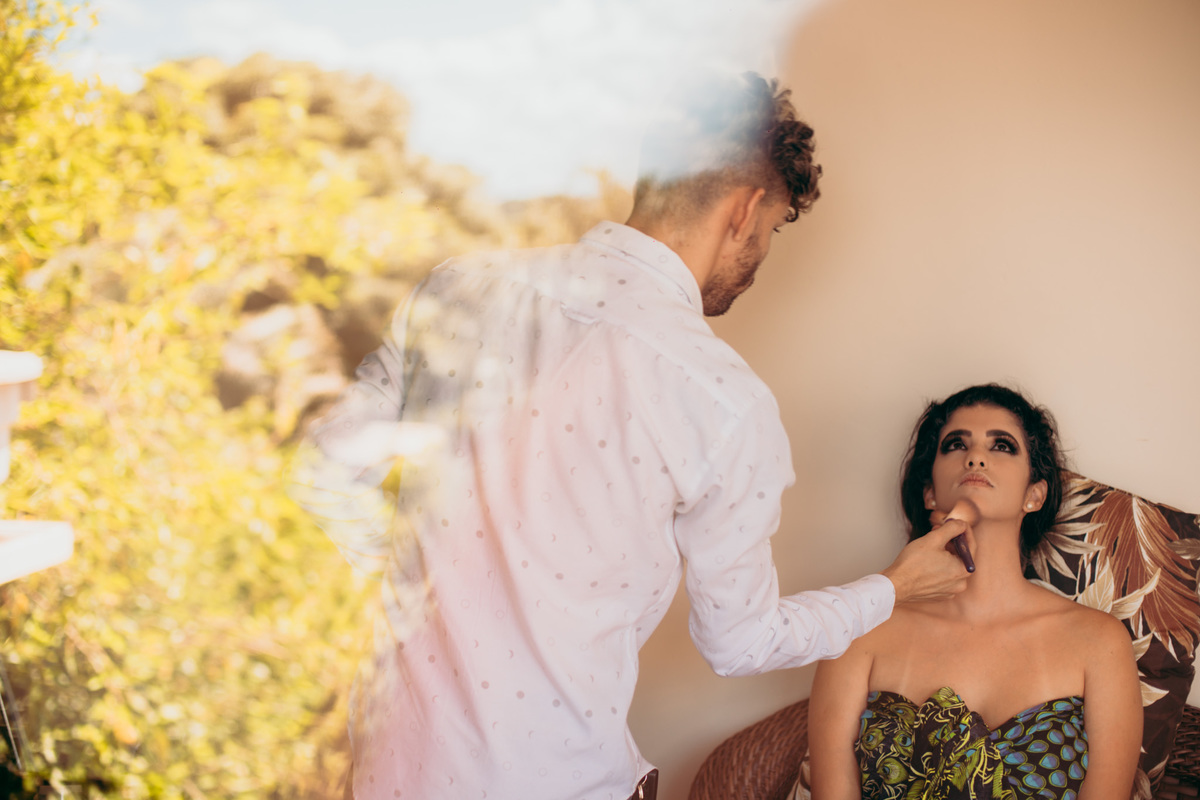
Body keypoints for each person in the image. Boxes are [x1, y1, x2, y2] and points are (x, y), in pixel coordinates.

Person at [289, 71, 972, 800]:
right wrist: (893, 587)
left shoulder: (459, 287)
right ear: (744, 210)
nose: (760, 256)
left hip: (389, 768)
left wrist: (418, 591)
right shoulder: (723, 399)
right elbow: (739, 642)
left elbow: (321, 473)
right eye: (771, 230)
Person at [806, 384, 1142, 800]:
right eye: (955, 444)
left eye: (1001, 445)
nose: (975, 457)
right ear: (930, 492)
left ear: (1034, 494)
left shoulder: (1100, 642)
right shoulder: (860, 629)